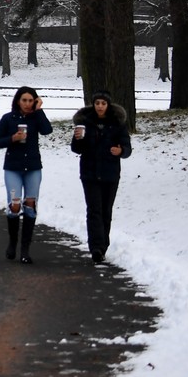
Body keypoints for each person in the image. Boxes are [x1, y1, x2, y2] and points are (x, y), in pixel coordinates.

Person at [0, 86, 53, 264]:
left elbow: (47, 130)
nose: (27, 104)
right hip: (13, 168)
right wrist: (12, 138)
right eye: (24, 100)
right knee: (14, 205)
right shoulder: (8, 118)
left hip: (33, 168)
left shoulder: (36, 118)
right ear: (18, 101)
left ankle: (25, 249)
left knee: (30, 205)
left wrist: (39, 110)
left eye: (30, 100)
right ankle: (13, 242)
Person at [71, 90, 131, 265]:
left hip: (110, 174)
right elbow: (76, 149)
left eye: (103, 103)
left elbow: (127, 147)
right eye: (97, 103)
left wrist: (121, 151)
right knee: (94, 210)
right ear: (93, 104)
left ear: (108, 105)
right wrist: (78, 139)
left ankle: (103, 245)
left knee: (106, 211)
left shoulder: (117, 124)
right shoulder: (84, 122)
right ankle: (96, 247)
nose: (100, 106)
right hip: (89, 173)